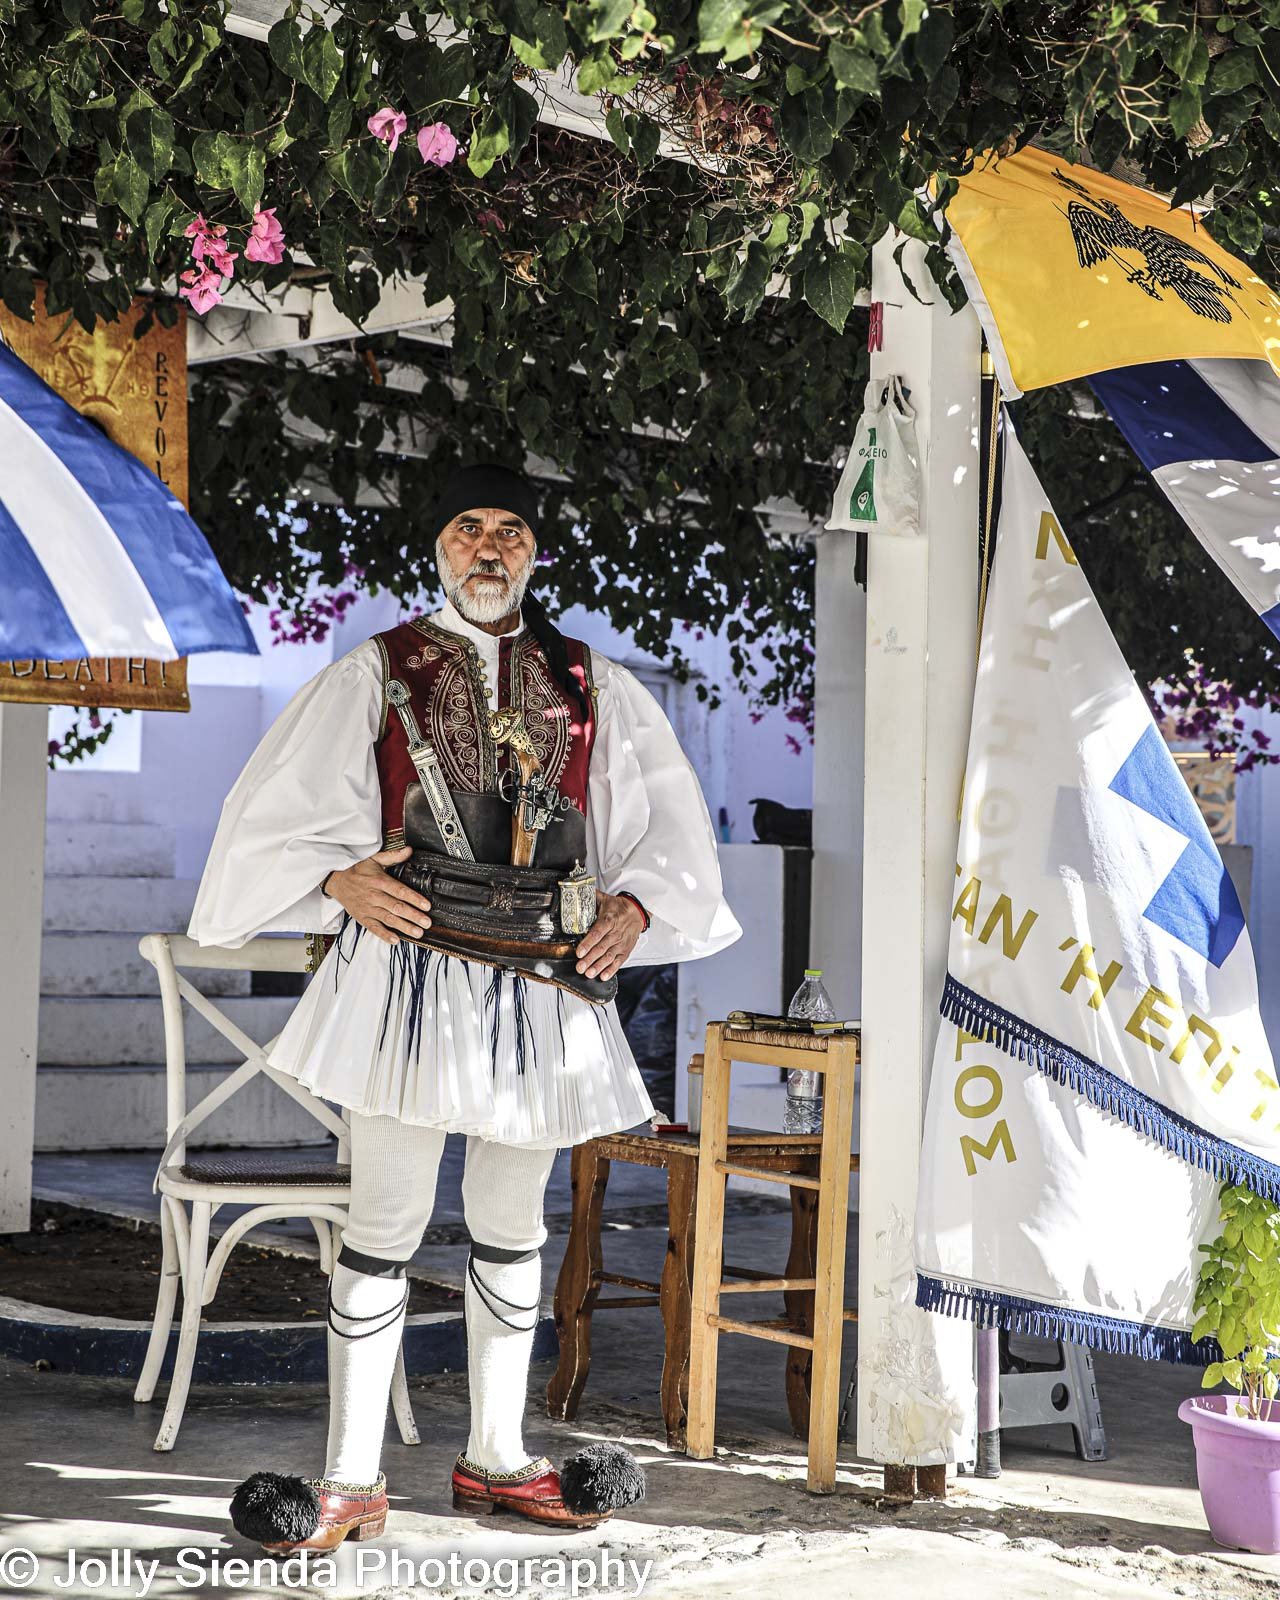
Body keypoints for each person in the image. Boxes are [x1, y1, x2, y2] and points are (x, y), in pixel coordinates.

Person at [188, 462, 742, 1551]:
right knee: (385, 1220)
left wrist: (635, 906)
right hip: (408, 972)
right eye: (466, 528)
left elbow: (665, 831)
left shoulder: (591, 683)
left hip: (540, 982)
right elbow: (274, 815)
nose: (488, 547)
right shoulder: (375, 670)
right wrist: (336, 878)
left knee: (509, 1221)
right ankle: (349, 1476)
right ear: (437, 548)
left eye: (509, 529)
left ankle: (496, 1454)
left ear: (533, 551)